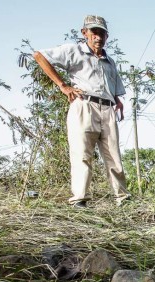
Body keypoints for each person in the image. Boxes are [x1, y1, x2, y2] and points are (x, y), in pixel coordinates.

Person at [33, 15, 130, 208]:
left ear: (107, 36)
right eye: (94, 32)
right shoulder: (74, 51)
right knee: (82, 154)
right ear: (84, 33)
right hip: (84, 105)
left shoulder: (109, 61)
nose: (98, 37)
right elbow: (39, 55)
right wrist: (62, 85)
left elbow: (113, 86)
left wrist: (117, 101)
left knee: (114, 156)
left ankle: (123, 199)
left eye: (102, 33)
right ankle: (80, 200)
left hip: (108, 109)